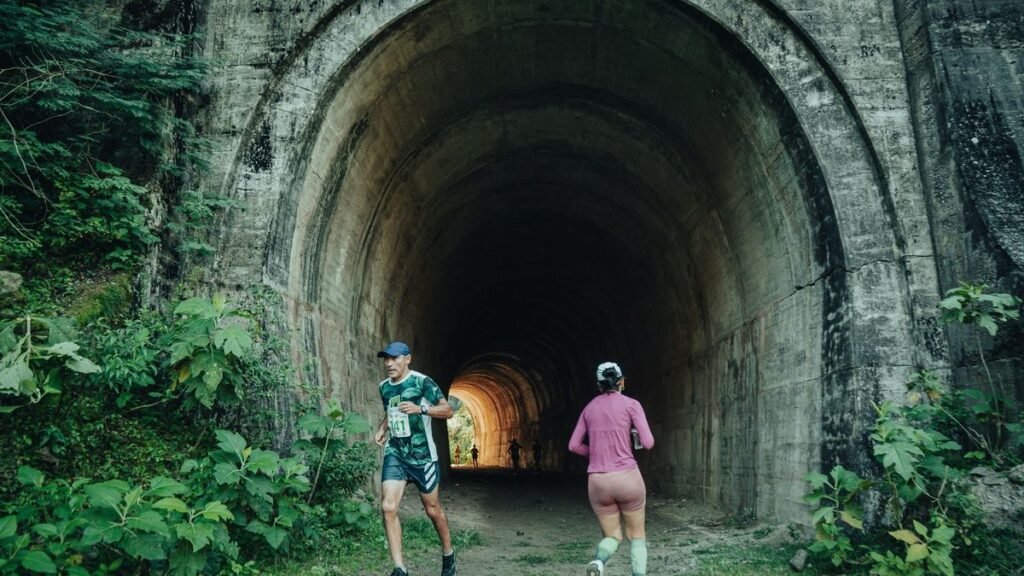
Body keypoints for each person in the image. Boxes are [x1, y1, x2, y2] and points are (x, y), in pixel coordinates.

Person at [373, 341, 458, 576]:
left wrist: (421, 409)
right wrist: (383, 427)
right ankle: (400, 568)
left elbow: (448, 410)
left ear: (407, 359)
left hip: (423, 456)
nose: (389, 364)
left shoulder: (422, 382)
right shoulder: (384, 387)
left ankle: (448, 554)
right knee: (388, 507)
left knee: (432, 509)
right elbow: (392, 412)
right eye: (386, 359)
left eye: (394, 358)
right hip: (396, 453)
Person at [569, 362, 655, 576]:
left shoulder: (589, 409)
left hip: (598, 481)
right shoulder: (631, 405)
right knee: (637, 535)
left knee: (613, 535)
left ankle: (598, 562)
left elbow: (573, 445)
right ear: (621, 381)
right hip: (627, 477)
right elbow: (648, 442)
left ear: (598, 384)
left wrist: (596, 453)